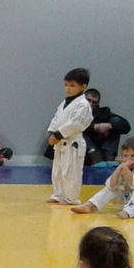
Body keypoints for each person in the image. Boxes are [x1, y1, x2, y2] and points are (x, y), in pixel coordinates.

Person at [72, 137, 134, 219]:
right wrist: (119, 168)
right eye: (125, 156)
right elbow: (111, 185)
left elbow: (133, 183)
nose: (128, 159)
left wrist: (124, 168)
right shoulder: (123, 167)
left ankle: (129, 212)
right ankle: (90, 205)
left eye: (133, 156)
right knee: (110, 189)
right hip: (129, 198)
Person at [46, 68, 93, 205]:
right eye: (66, 85)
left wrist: (58, 135)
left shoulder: (83, 105)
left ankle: (71, 198)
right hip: (60, 142)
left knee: (71, 172)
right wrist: (51, 132)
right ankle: (58, 195)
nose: (68, 89)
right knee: (58, 171)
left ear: (83, 87)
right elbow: (56, 118)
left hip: (73, 143)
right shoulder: (64, 103)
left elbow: (76, 124)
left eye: (72, 86)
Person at [82, 89, 132, 166]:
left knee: (115, 123)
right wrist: (95, 127)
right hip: (85, 152)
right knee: (77, 130)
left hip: (103, 149)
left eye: (94, 102)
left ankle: (110, 154)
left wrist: (109, 126)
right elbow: (72, 124)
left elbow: (126, 126)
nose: (90, 104)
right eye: (88, 100)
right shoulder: (74, 112)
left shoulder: (103, 113)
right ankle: (94, 153)